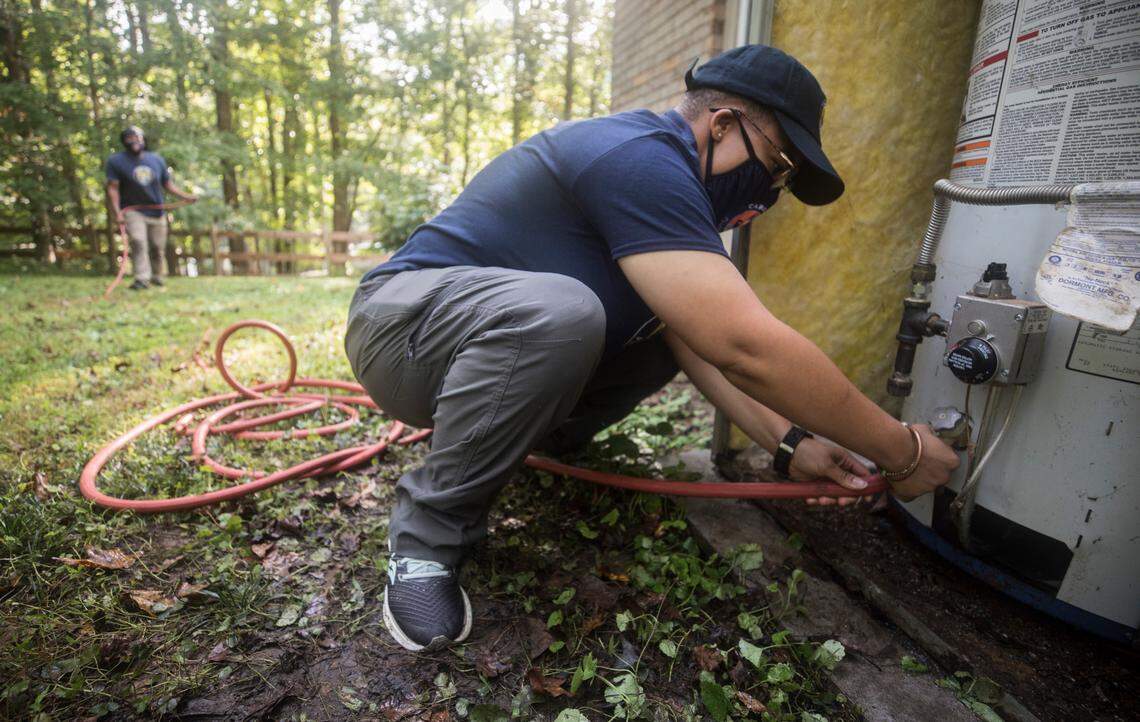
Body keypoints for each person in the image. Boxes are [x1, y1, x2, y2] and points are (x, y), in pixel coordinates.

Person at [344, 45, 961, 652]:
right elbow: (745, 345)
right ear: (722, 125)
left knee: (662, 332)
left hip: (462, 343)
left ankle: (526, 442)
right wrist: (900, 450)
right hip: (398, 328)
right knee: (564, 314)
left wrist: (790, 444)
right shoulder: (641, 158)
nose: (772, 193)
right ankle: (426, 541)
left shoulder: (669, 189)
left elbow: (703, 346)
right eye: (777, 165)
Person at [105, 126, 196, 290]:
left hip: (156, 211)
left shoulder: (156, 160)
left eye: (138, 137)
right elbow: (113, 188)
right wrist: (117, 212)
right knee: (139, 242)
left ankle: (157, 276)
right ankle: (141, 278)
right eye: (130, 138)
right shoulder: (116, 161)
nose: (135, 141)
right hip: (132, 210)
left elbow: (168, 184)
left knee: (157, 247)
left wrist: (185, 197)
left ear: (143, 139)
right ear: (124, 141)